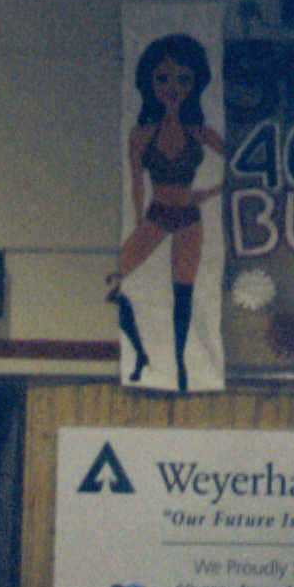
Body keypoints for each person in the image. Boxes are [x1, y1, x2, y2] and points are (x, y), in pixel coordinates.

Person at [107, 32, 227, 392]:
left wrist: (206, 193)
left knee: (184, 294)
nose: (173, 87)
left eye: (183, 79)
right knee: (116, 280)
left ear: (195, 83)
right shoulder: (141, 134)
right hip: (157, 214)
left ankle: (181, 365)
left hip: (188, 216)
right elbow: (136, 186)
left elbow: (236, 160)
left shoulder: (198, 131)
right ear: (150, 82)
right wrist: (137, 223)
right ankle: (142, 354)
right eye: (163, 78)